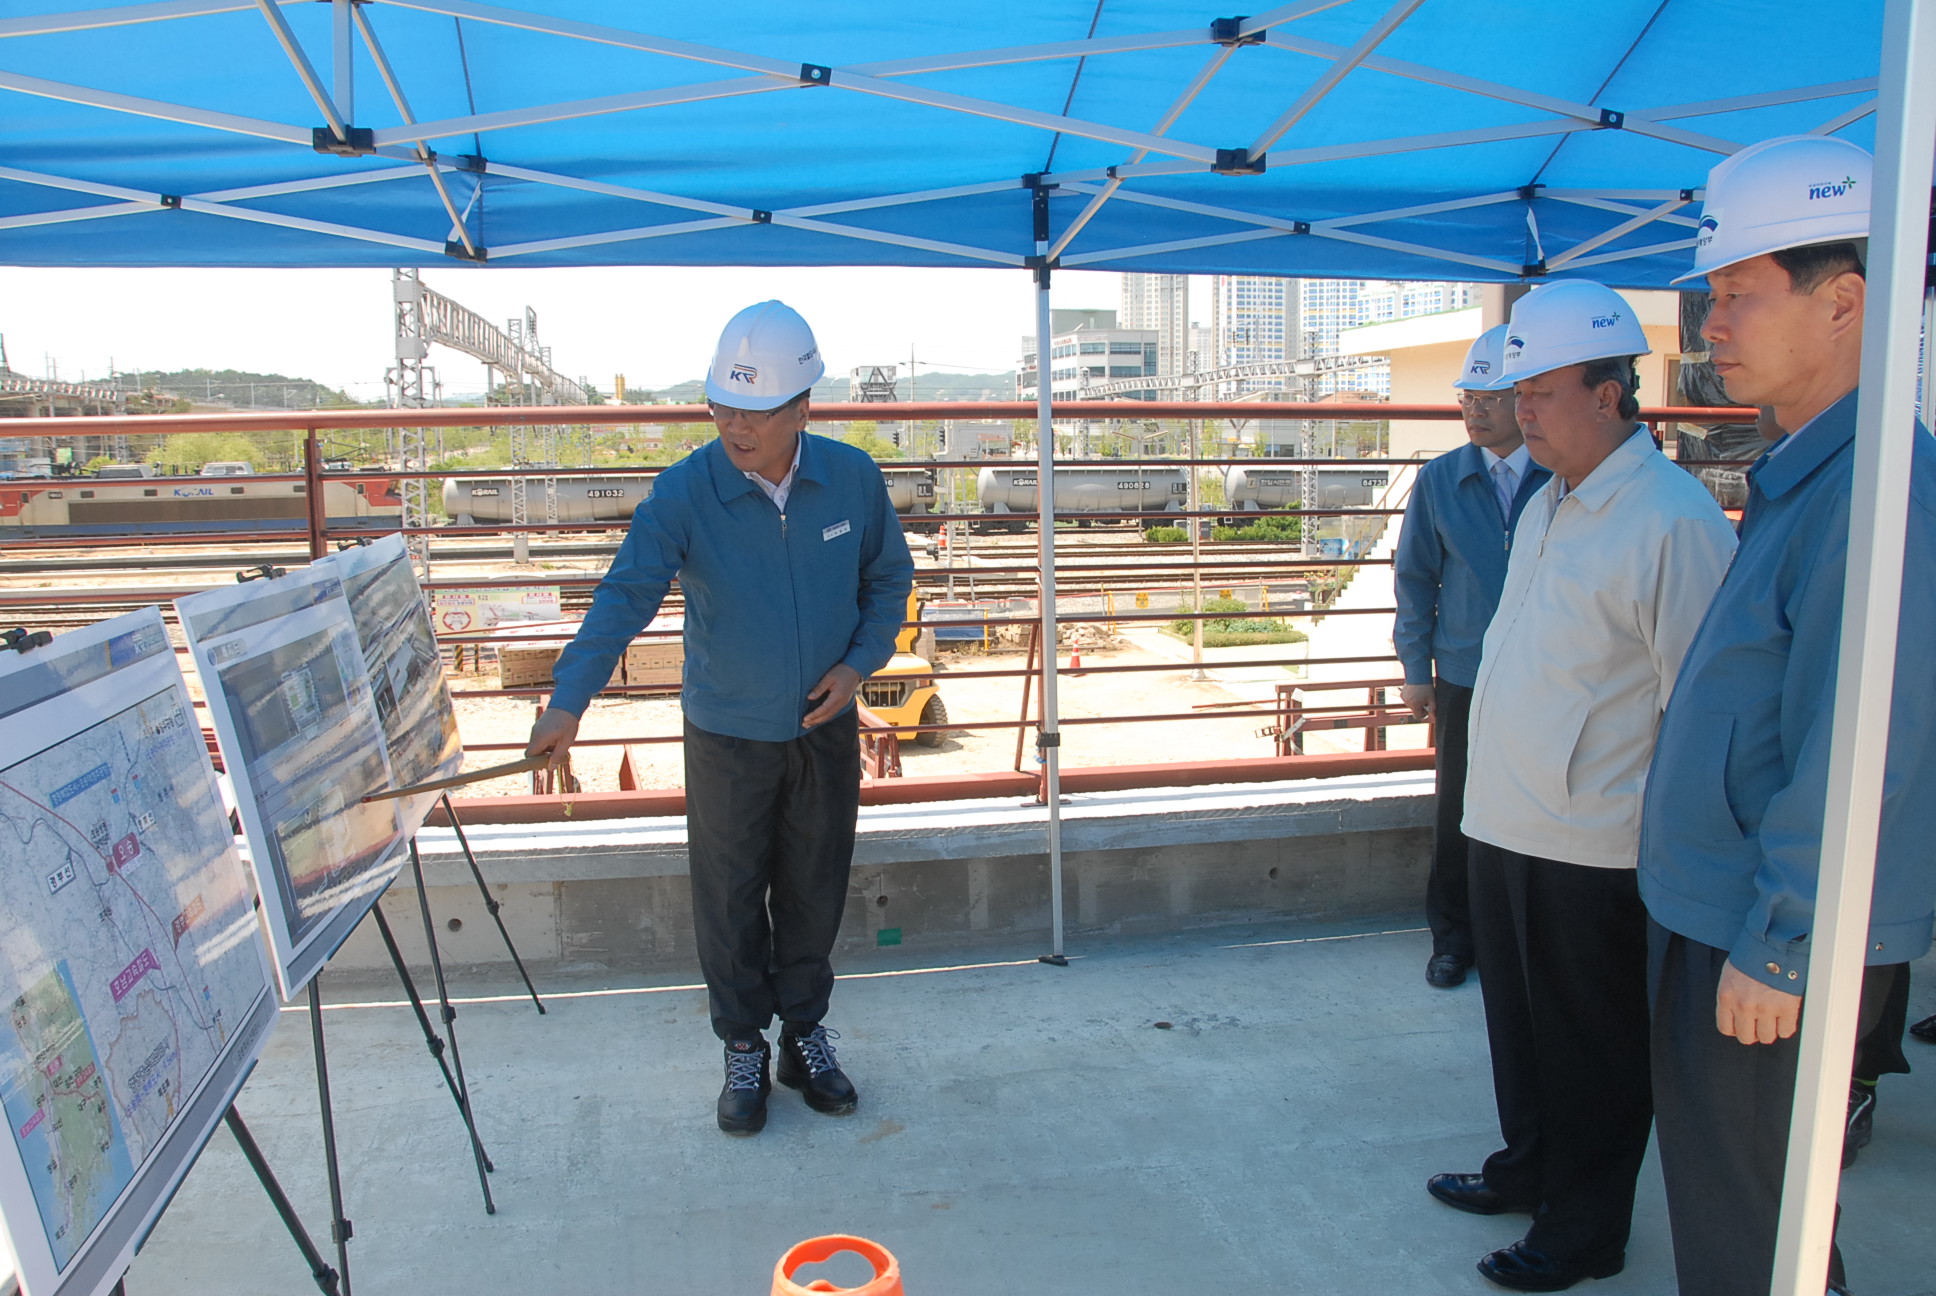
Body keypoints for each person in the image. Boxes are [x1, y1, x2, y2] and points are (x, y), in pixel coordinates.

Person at [1639, 134, 1936, 1295]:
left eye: (1735, 294)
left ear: (1842, 302)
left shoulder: (1876, 496)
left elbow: (1869, 744)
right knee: (1752, 1226)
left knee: (1759, 1242)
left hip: (1762, 940)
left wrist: (1782, 943)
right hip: (1724, 913)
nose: (1708, 324)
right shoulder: (1810, 469)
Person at [526, 301, 915, 1136]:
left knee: (814, 887)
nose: (735, 425)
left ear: (803, 405)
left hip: (823, 728)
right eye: (722, 406)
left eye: (756, 409)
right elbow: (624, 595)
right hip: (727, 733)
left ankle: (803, 1035)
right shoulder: (687, 492)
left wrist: (857, 667)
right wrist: (568, 699)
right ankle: (743, 1044)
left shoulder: (851, 480)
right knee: (731, 895)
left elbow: (888, 582)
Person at [1431, 280, 1737, 1293]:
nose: (1522, 412)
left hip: (1594, 843)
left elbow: (1697, 707)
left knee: (1592, 1052)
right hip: (1508, 819)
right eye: (1517, 393)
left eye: (1543, 393)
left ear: (1610, 394)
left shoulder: (1670, 520)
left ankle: (1585, 1229)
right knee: (1518, 1030)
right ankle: (1529, 1167)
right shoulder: (1550, 501)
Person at [1392, 325, 1551, 988]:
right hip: (1464, 675)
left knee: (1541, 811)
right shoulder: (1441, 479)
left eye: (1491, 396)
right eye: (1467, 397)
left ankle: (1523, 937)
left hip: (1549, 677)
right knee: (1458, 809)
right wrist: (1414, 668)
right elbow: (1414, 576)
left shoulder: (1562, 475)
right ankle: (1453, 939)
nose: (1475, 410)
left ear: (1527, 399)